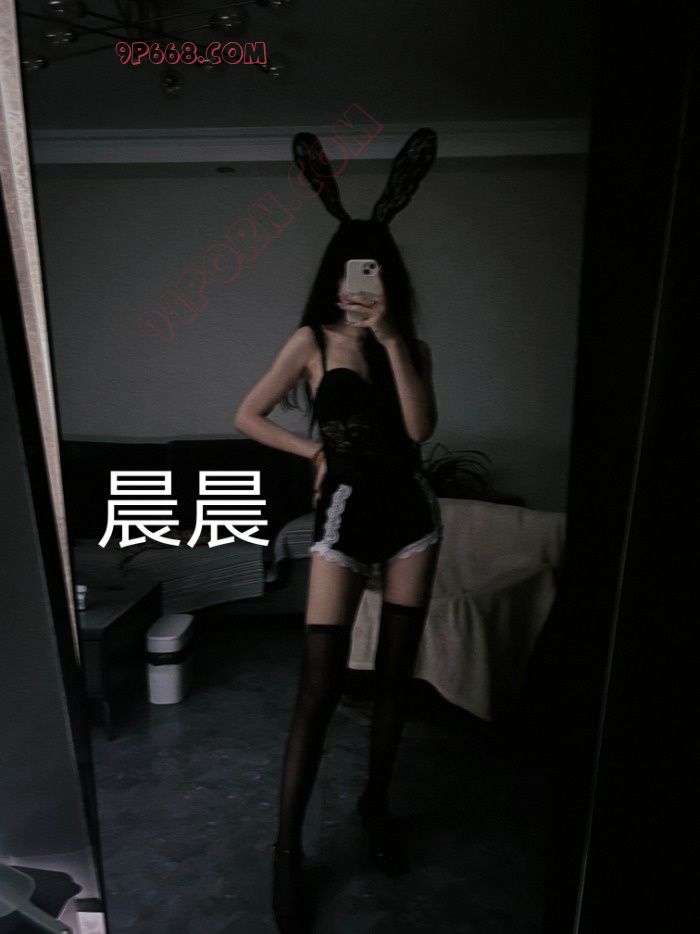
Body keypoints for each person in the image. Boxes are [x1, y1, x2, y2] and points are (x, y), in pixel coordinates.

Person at [234, 129, 442, 934]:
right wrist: (315, 450)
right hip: (346, 515)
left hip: (413, 518)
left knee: (394, 681)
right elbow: (248, 416)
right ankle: (286, 850)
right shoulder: (312, 342)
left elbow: (419, 431)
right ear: (336, 277)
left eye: (376, 271)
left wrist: (389, 341)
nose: (363, 284)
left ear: (389, 279)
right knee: (319, 687)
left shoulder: (410, 345)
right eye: (355, 271)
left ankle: (375, 807)